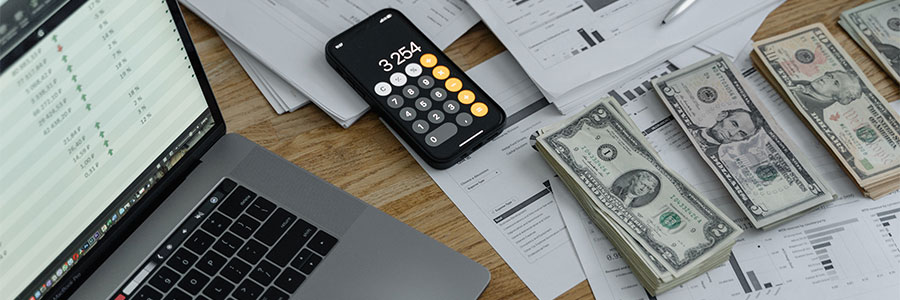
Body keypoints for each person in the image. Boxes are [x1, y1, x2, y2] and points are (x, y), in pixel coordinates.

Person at [687, 108, 765, 156]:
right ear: (722, 116)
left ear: (743, 140)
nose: (732, 133)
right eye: (734, 124)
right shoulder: (687, 125)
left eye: (741, 134)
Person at [789, 70, 863, 119]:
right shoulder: (793, 82)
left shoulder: (814, 116)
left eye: (835, 83)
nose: (826, 79)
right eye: (829, 76)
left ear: (838, 97)